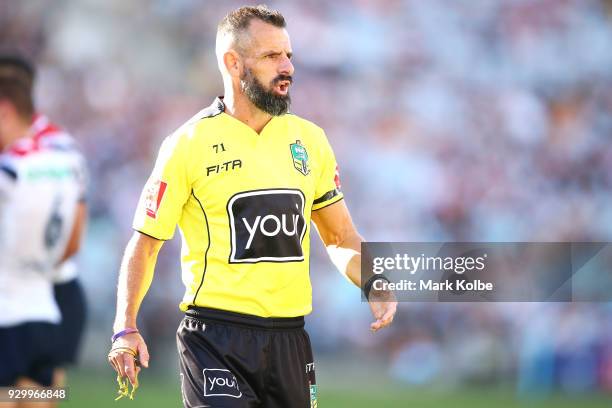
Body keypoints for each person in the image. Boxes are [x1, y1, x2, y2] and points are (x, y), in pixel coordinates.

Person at [108, 5, 397, 407]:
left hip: (290, 339)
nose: (287, 67)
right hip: (215, 337)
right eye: (271, 56)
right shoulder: (187, 144)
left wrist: (372, 280)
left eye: (289, 55)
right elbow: (146, 242)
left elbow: (340, 235)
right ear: (233, 62)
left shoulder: (309, 140)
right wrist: (125, 325)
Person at [0, 55, 87, 408]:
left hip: (32, 292)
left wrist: (26, 263)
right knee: (39, 395)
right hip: (47, 303)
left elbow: (73, 237)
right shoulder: (63, 152)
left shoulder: (22, 159)